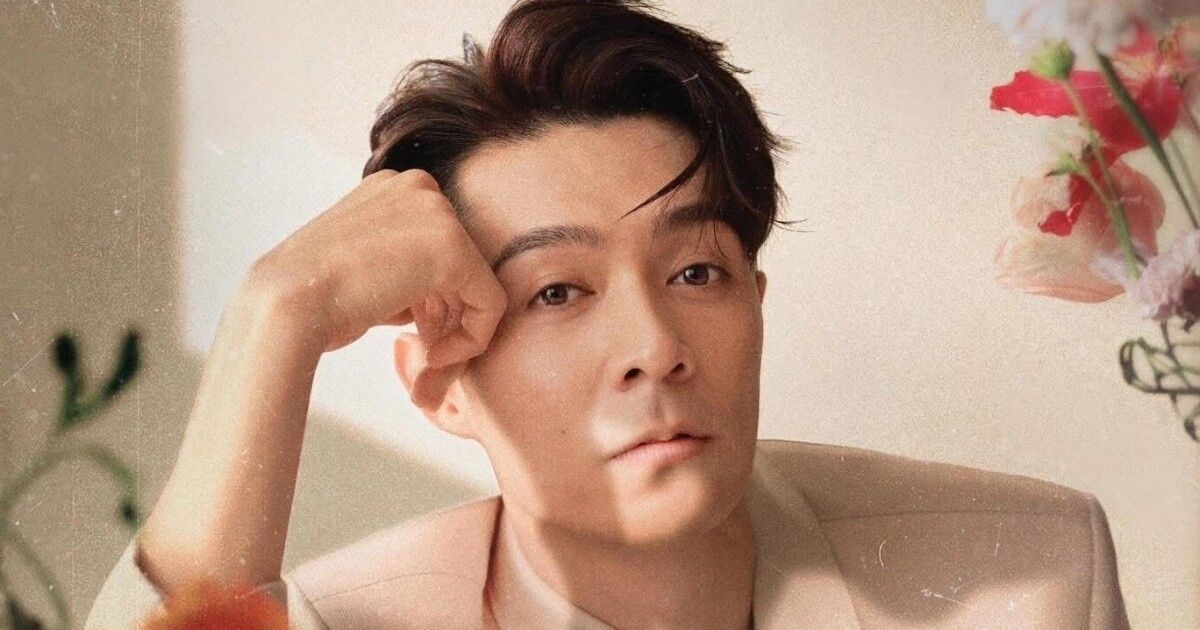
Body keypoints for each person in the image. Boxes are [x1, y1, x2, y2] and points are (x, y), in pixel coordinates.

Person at [87, 1, 1130, 627]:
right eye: (557, 292)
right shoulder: (338, 622)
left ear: (757, 304)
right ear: (443, 389)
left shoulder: (1027, 577)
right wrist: (277, 315)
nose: (655, 349)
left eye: (697, 273)